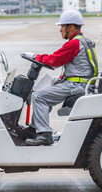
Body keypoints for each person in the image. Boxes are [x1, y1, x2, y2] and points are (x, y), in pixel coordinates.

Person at [22, 10, 98, 146]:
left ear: (72, 27)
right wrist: (61, 77)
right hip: (80, 82)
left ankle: (44, 134)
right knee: (44, 90)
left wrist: (35, 57)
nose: (60, 30)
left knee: (39, 97)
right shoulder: (84, 41)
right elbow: (77, 66)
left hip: (76, 86)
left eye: (62, 27)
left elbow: (54, 60)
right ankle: (35, 128)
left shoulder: (74, 44)